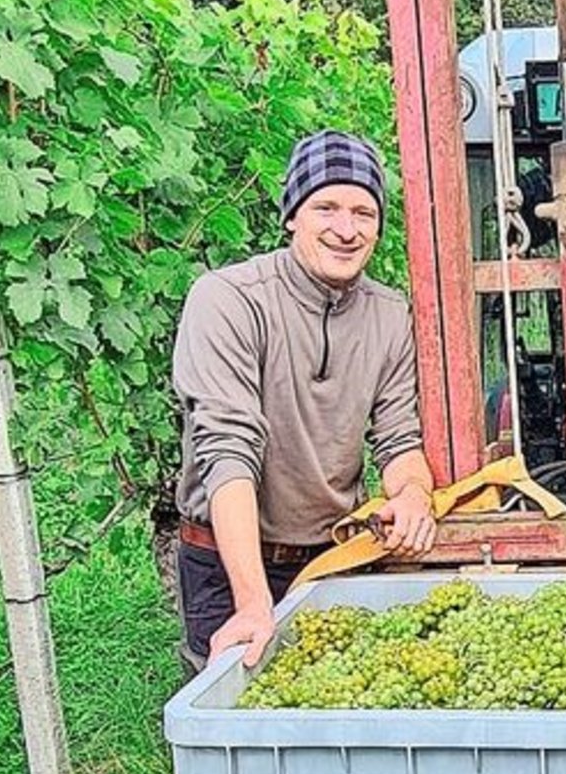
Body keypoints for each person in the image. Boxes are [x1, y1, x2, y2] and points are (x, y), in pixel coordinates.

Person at [173, 131, 437, 672]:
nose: (346, 229)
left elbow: (398, 439)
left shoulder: (389, 315)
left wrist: (412, 494)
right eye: (327, 207)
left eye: (364, 212)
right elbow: (228, 452)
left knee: (338, 729)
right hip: (227, 562)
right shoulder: (227, 300)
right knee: (239, 732)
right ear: (292, 214)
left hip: (333, 557)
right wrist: (252, 601)